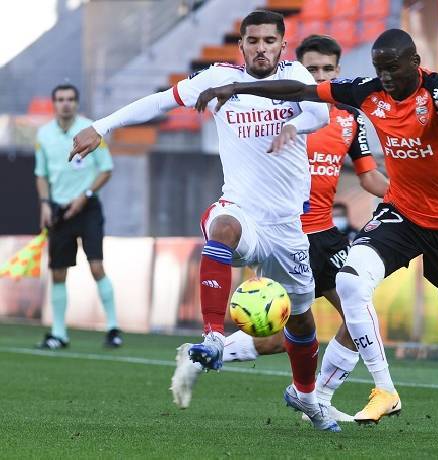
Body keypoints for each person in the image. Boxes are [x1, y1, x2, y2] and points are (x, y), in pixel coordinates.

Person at [194, 29, 438, 436]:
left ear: (414, 62)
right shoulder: (368, 93)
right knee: (350, 282)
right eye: (379, 69)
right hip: (402, 213)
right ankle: (382, 389)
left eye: (392, 68)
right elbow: (299, 90)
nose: (385, 77)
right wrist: (237, 86)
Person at [70, 11, 340, 432]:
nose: (262, 48)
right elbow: (160, 100)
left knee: (302, 321)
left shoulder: (294, 74)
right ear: (242, 44)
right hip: (243, 210)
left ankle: (306, 396)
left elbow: (319, 115)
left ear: (283, 46)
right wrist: (101, 126)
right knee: (222, 228)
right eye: (253, 41)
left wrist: (292, 125)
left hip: (287, 226)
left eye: (270, 41)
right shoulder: (217, 78)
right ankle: (213, 335)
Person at [170, 34, 389, 423]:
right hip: (283, 234)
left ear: (338, 72)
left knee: (357, 322)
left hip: (325, 235)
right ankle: (208, 357)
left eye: (327, 69)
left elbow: (369, 177)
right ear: (297, 71)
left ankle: (317, 396)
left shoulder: (349, 118)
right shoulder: (281, 111)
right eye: (312, 69)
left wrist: (404, 196)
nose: (319, 76)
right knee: (280, 335)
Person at [34, 83, 122, 350]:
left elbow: (106, 169)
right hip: (59, 209)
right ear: (54, 103)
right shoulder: (43, 135)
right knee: (58, 272)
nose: (66, 104)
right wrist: (45, 204)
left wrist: (84, 195)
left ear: (76, 103)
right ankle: (59, 333)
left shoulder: (90, 131)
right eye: (61, 99)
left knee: (96, 266)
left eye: (70, 99)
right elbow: (41, 174)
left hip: (88, 208)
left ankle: (113, 328)